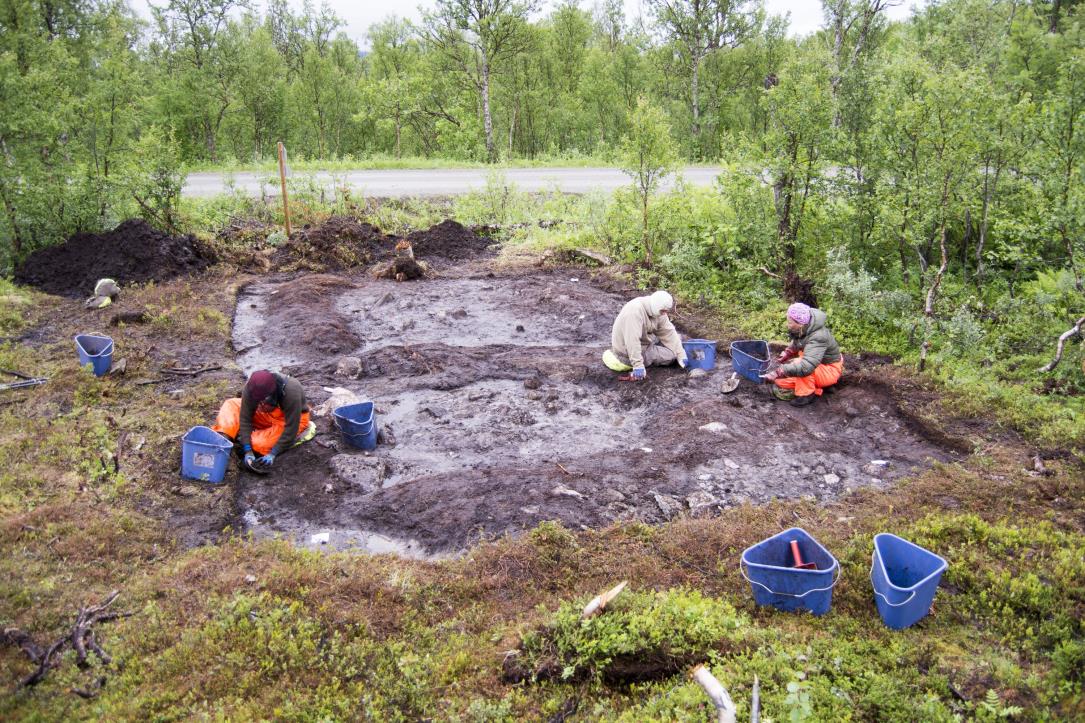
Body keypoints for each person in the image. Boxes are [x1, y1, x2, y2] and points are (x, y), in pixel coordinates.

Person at [212, 369, 316, 470]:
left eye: (264, 401)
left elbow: (291, 427)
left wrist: (273, 453)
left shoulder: (291, 391)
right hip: (266, 416)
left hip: (289, 420)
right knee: (231, 404)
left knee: (258, 444)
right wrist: (248, 450)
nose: (261, 404)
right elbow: (245, 418)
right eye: (258, 401)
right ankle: (223, 440)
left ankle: (249, 438)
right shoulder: (251, 387)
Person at [760, 303, 843, 406]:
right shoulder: (807, 326)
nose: (787, 325)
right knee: (781, 381)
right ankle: (821, 384)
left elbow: (806, 367)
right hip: (820, 363)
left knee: (799, 365)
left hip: (830, 369)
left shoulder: (818, 337)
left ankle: (807, 394)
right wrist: (788, 352)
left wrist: (780, 371)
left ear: (800, 324)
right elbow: (799, 341)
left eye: (790, 322)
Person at [602, 290, 688, 381]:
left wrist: (681, 354)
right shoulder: (634, 312)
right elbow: (632, 341)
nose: (664, 314)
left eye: (666, 311)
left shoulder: (658, 309)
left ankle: (662, 349)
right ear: (656, 306)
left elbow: (668, 332)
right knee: (671, 356)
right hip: (626, 353)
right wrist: (638, 365)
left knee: (678, 339)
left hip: (643, 340)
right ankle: (651, 355)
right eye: (662, 311)